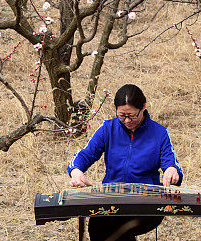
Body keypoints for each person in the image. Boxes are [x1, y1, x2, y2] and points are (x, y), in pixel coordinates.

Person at [67, 84, 183, 241]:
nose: (127, 121)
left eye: (132, 115)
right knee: (97, 225)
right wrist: (75, 170)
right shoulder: (108, 128)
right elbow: (85, 154)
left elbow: (171, 162)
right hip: (112, 198)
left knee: (116, 227)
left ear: (143, 108)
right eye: (122, 115)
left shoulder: (159, 133)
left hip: (147, 203)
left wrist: (171, 170)